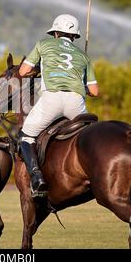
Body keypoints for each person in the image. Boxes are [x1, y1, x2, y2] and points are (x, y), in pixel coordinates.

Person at [17, 14, 99, 198]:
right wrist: (79, 81)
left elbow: (23, 71)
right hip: (76, 102)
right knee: (91, 138)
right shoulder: (83, 55)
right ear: (75, 36)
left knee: (26, 136)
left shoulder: (43, 44)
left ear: (54, 32)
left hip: (51, 99)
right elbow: (94, 91)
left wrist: (40, 69)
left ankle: (37, 178)